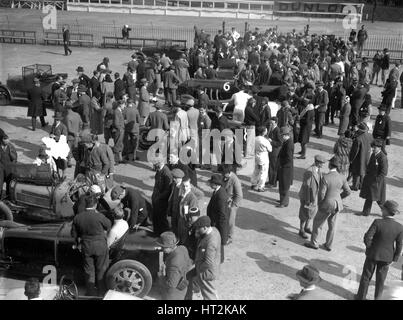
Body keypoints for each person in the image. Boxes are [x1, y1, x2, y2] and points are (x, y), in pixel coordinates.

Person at [355, 200, 403, 300]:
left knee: (366, 277)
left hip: (373, 254)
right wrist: (395, 257)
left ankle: (361, 297)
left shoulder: (378, 222)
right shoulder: (399, 227)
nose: (381, 211)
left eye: (382, 209)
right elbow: (399, 245)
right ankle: (377, 298)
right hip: (387, 257)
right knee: (381, 281)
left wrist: (369, 248)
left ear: (386, 211)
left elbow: (368, 237)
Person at [305, 157, 351, 251]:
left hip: (327, 204)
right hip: (337, 204)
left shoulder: (326, 177)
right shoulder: (342, 176)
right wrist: (339, 198)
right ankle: (328, 245)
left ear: (330, 165)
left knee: (318, 223)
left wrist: (320, 204)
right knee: (332, 225)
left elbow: (322, 194)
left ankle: (314, 243)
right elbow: (348, 191)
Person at [71, 194, 111, 296]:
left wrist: (77, 243)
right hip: (100, 246)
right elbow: (109, 225)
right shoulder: (99, 216)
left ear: (85, 205)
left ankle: (90, 292)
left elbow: (73, 234)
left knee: (89, 270)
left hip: (86, 246)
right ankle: (102, 292)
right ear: (96, 205)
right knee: (101, 269)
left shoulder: (77, 217)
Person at [186, 216, 221, 300]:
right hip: (205, 268)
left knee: (208, 294)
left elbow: (208, 262)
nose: (197, 230)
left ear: (205, 228)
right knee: (189, 276)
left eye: (199, 229)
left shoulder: (211, 242)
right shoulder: (213, 230)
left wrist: (199, 271)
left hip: (206, 272)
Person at [157, 231, 192, 300]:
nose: (161, 248)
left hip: (172, 295)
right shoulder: (182, 248)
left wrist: (161, 276)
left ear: (169, 247)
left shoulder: (174, 263)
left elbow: (171, 284)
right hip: (183, 285)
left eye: (163, 247)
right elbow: (189, 264)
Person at [298, 155, 325, 239]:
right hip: (308, 197)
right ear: (317, 162)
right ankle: (301, 230)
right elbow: (306, 186)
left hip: (314, 196)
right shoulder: (309, 172)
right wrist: (308, 200)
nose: (323, 165)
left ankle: (306, 227)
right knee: (304, 213)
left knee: (311, 212)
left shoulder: (318, 170)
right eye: (321, 163)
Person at [358, 139, 388, 217]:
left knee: (379, 199)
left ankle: (387, 213)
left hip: (378, 182)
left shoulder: (383, 157)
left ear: (379, 147)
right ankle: (365, 212)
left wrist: (377, 180)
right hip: (371, 179)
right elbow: (370, 165)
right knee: (369, 196)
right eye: (372, 147)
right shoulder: (373, 154)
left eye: (374, 147)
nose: (373, 149)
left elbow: (384, 172)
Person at [207, 174, 230, 255]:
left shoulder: (221, 196)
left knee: (219, 244)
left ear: (216, 184)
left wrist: (222, 234)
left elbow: (222, 216)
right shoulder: (217, 191)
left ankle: (220, 259)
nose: (210, 184)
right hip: (215, 223)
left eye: (211, 183)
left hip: (218, 226)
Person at [152, 157, 173, 235]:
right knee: (156, 217)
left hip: (161, 201)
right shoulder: (159, 170)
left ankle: (166, 235)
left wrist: (158, 198)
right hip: (156, 198)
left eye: (155, 164)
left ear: (159, 163)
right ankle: (157, 233)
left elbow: (167, 190)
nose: (153, 166)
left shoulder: (166, 173)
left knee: (161, 219)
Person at [221, 164, 242, 244]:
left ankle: (230, 237)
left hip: (232, 203)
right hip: (225, 201)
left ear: (228, 172)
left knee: (230, 221)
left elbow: (239, 195)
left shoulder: (235, 180)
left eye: (223, 173)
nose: (222, 174)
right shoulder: (224, 176)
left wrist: (232, 205)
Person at [349, 122, 373, 191]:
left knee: (356, 172)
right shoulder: (370, 136)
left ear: (360, 129)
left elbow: (354, 152)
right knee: (364, 171)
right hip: (367, 157)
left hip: (359, 158)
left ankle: (355, 186)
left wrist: (351, 159)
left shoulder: (358, 139)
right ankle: (362, 185)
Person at [277, 126, 294, 208]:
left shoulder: (288, 144)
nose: (281, 137)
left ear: (285, 135)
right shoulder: (288, 141)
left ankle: (283, 202)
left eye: (282, 135)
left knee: (284, 185)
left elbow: (289, 158)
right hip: (285, 167)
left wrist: (282, 165)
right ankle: (283, 200)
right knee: (283, 184)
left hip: (285, 168)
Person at [251, 126, 272, 192]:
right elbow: (270, 149)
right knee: (264, 172)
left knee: (256, 170)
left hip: (256, 155)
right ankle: (261, 186)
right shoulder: (265, 140)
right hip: (263, 156)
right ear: (263, 132)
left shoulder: (254, 138)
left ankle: (253, 183)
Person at [65, 101, 83, 168]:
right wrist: (79, 132)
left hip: (71, 136)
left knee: (69, 150)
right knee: (77, 150)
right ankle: (79, 162)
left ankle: (69, 162)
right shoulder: (77, 115)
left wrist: (74, 133)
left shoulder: (68, 117)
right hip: (77, 136)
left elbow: (69, 129)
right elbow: (81, 124)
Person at [0, 133, 17, 199]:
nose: (7, 140)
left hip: (9, 167)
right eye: (5, 139)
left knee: (9, 183)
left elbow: (15, 157)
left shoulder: (11, 146)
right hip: (1, 168)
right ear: (1, 140)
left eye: (7, 139)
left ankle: (8, 197)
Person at [267, 116, 281, 188]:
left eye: (272, 123)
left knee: (273, 167)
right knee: (270, 166)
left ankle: (273, 183)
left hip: (275, 151)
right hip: (271, 150)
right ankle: (270, 181)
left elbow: (279, 143)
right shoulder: (271, 128)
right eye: (270, 123)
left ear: (276, 123)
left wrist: (272, 141)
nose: (270, 124)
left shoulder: (277, 130)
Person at [112, 99, 125, 163]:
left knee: (120, 144)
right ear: (120, 105)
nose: (124, 106)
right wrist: (120, 128)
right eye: (123, 104)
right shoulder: (117, 112)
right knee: (117, 144)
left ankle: (120, 159)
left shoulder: (119, 111)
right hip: (119, 130)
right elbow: (116, 123)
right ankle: (115, 160)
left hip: (120, 129)